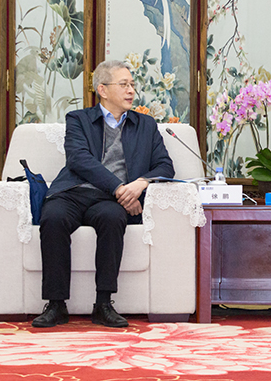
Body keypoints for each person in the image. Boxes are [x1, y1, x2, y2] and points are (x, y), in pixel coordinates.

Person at [32, 60, 175, 328]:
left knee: (112, 219)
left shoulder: (145, 125)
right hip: (74, 192)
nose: (131, 90)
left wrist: (139, 184)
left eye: (132, 84)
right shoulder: (78, 119)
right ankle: (56, 304)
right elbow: (79, 160)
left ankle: (103, 304)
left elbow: (165, 165)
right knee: (52, 218)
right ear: (103, 90)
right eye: (123, 84)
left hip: (109, 201)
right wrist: (120, 188)